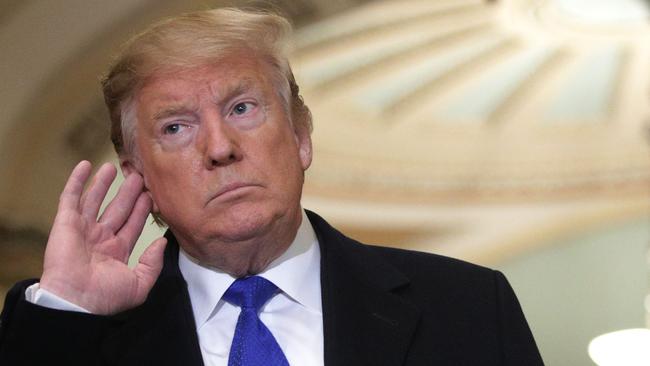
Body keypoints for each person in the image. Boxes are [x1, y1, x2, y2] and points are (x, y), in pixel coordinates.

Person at [0, 7, 544, 366]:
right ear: (137, 174)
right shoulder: (79, 332)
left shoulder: (467, 306)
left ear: (301, 136)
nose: (219, 148)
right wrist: (68, 316)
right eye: (175, 127)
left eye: (242, 108)